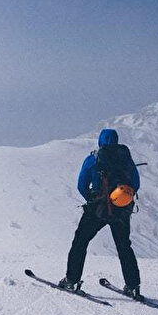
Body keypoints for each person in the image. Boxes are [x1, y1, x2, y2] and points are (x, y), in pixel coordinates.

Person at [58, 128, 143, 299]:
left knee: (80, 242)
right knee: (124, 247)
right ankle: (133, 286)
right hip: (121, 210)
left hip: (98, 209)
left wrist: (92, 198)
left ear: (100, 141)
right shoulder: (126, 159)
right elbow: (136, 184)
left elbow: (81, 185)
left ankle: (72, 280)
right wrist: (120, 199)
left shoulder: (93, 159)